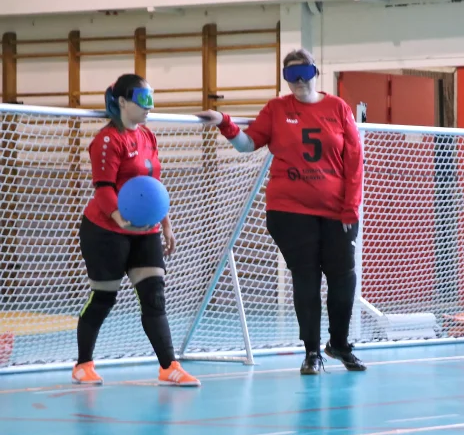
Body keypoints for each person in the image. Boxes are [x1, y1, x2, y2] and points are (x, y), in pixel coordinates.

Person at [197, 48, 366, 375]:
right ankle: (312, 352)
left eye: (304, 73)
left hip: (337, 212)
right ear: (285, 78)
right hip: (290, 212)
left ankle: (340, 344)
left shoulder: (338, 108)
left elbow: (354, 162)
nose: (299, 81)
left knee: (343, 279)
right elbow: (249, 144)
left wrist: (351, 209)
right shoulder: (276, 109)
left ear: (315, 72)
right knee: (306, 279)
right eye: (291, 75)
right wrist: (224, 123)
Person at [73, 74, 199, 386]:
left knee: (154, 296)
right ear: (123, 102)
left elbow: (154, 186)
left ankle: (169, 366)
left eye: (151, 98)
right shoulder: (106, 140)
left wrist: (165, 224)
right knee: (103, 298)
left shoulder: (148, 136)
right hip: (105, 231)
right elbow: (103, 188)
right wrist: (119, 218)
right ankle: (83, 364)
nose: (149, 107)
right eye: (142, 100)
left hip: (145, 233)